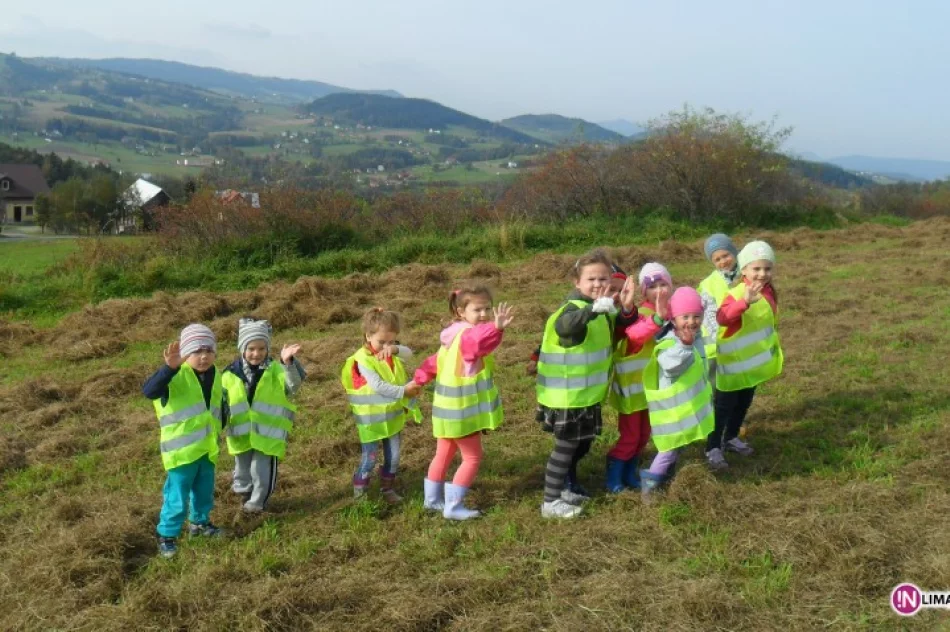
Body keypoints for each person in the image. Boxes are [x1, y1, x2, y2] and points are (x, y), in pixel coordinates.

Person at [536, 250, 636, 518]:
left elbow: (621, 326)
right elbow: (567, 328)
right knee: (565, 448)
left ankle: (564, 489)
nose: (598, 284)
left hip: (587, 396)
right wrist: (594, 309)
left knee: (583, 444)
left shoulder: (603, 310)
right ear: (576, 282)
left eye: (603, 278)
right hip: (567, 397)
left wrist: (625, 308)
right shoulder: (574, 309)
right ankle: (550, 501)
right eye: (591, 279)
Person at [414, 286, 513, 520]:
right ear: (461, 311)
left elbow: (434, 362)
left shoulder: (452, 334)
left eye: (487, 308)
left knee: (444, 454)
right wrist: (496, 329)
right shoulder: (469, 335)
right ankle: (454, 506)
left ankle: (432, 500)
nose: (484, 314)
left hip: (446, 411)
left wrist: (418, 379)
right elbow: (479, 343)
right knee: (472, 457)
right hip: (463, 413)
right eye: (477, 309)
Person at [142, 324, 224, 559]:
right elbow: (149, 391)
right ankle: (166, 535)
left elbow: (217, 406)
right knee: (177, 496)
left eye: (208, 351)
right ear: (186, 354)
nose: (203, 357)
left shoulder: (215, 374)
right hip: (180, 453)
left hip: (206, 449)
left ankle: (200, 523)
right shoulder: (174, 377)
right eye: (196, 352)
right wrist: (168, 369)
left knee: (204, 491)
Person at [705, 241, 783, 470]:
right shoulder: (738, 292)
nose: (762, 274)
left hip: (751, 367)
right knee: (723, 407)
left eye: (767, 269)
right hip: (731, 367)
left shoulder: (769, 292)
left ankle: (731, 438)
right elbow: (723, 317)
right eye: (756, 269)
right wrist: (744, 303)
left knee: (743, 404)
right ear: (744, 270)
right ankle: (712, 447)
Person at [223, 318, 305, 513]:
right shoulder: (229, 373)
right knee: (242, 472)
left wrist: (288, 363)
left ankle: (257, 503)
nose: (256, 353)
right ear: (242, 349)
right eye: (251, 348)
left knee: (259, 470)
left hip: (269, 433)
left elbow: (293, 386)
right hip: (241, 433)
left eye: (261, 348)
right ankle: (244, 495)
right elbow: (220, 401)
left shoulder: (276, 369)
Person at [640, 287, 715, 500]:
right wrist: (684, 345)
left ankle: (666, 478)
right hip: (672, 410)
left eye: (696, 316)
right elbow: (670, 365)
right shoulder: (672, 341)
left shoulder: (695, 336)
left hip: (685, 407)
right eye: (685, 317)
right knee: (669, 449)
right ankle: (650, 485)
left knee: (677, 447)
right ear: (674, 318)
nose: (691, 321)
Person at [341, 308, 422, 502]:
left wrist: (394, 349)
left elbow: (409, 353)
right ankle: (360, 494)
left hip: (392, 418)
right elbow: (378, 386)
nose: (387, 346)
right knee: (369, 459)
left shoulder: (390, 353)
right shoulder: (363, 359)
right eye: (382, 341)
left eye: (392, 341)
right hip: (371, 422)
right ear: (368, 336)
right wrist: (404, 391)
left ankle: (387, 490)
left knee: (393, 458)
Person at [605, 262, 672, 493]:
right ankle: (614, 473)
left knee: (644, 434)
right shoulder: (642, 315)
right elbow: (636, 336)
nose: (660, 290)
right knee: (631, 435)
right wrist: (657, 321)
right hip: (632, 389)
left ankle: (630, 472)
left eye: (664, 284)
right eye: (653, 286)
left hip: (651, 389)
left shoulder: (666, 313)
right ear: (643, 292)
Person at [698, 233, 740, 367]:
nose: (723, 262)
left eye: (726, 255)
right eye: (717, 259)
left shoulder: (746, 275)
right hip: (716, 349)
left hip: (742, 344)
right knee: (718, 386)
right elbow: (709, 316)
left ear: (734, 252)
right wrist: (723, 341)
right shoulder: (708, 284)